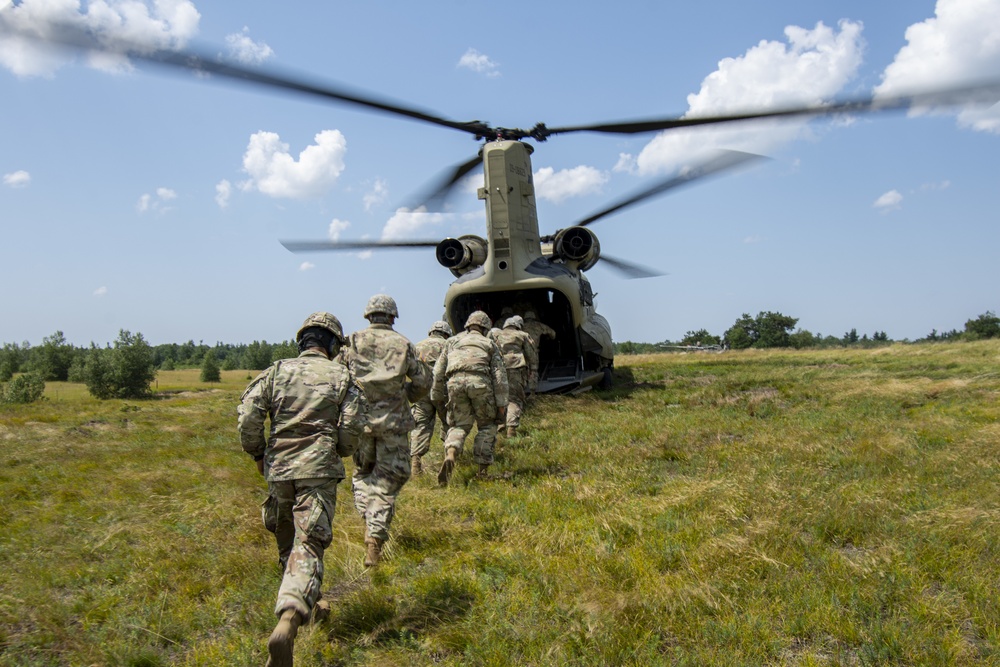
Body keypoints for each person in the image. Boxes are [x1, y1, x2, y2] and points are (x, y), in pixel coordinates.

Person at [237, 312, 367, 667]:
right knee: (309, 541)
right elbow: (352, 430)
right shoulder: (343, 376)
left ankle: (314, 601)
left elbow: (249, 414)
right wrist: (337, 449)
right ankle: (290, 618)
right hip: (318, 470)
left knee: (287, 541)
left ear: (304, 342)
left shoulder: (276, 371)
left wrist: (258, 454)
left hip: (280, 470)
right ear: (331, 345)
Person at [340, 294, 431, 567]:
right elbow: (423, 380)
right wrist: (404, 397)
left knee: (362, 474)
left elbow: (337, 376)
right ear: (393, 317)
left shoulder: (352, 342)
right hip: (394, 425)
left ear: (368, 315)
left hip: (360, 424)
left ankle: (368, 516)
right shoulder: (403, 343)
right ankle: (374, 540)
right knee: (388, 481)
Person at [431, 310, 508, 485]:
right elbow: (499, 376)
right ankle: (482, 472)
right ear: (486, 327)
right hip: (480, 383)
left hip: (455, 384)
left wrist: (437, 397)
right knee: (487, 426)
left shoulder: (452, 341)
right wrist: (502, 405)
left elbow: (437, 372)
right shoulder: (489, 344)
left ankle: (451, 453)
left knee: (459, 425)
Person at [409, 320, 453, 475]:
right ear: (446, 333)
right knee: (449, 423)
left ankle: (416, 466)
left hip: (421, 390)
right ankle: (449, 458)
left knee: (420, 425)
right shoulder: (448, 344)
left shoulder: (417, 346)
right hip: (442, 389)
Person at [491, 316, 537, 438]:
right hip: (515, 369)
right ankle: (511, 428)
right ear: (518, 326)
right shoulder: (522, 335)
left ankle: (500, 424)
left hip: (497, 369)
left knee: (499, 397)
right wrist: (533, 369)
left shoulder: (495, 335)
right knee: (515, 399)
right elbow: (531, 355)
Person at [522, 310, 556, 394]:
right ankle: (532, 393)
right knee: (533, 370)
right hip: (533, 351)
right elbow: (553, 333)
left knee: (522, 370)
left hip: (522, 351)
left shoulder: (521, 326)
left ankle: (522, 390)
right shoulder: (539, 325)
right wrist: (550, 338)